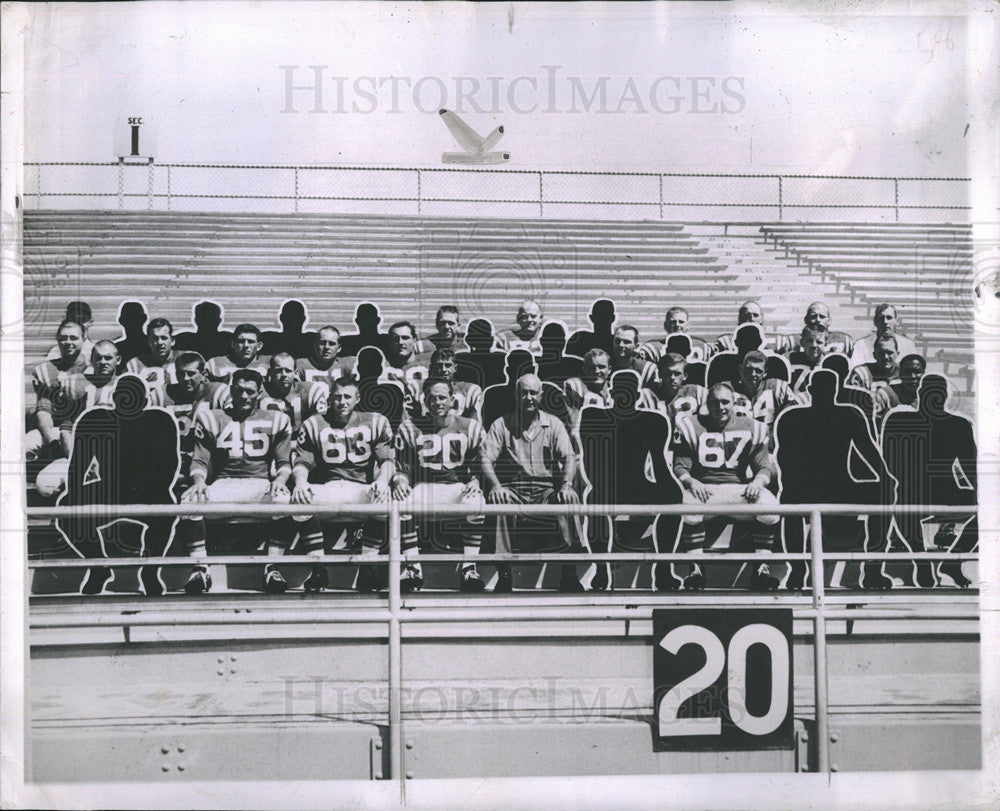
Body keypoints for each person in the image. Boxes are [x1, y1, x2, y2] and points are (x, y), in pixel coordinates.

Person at [56, 375, 180, 596]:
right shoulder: (95, 419)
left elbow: (170, 465)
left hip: (148, 490)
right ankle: (99, 567)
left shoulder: (160, 421)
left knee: (166, 509)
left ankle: (150, 570)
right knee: (66, 510)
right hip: (108, 490)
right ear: (113, 398)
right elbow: (78, 467)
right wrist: (76, 501)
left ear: (145, 401)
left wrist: (152, 491)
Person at [774, 369, 897, 591]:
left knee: (790, 496)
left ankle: (872, 568)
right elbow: (868, 450)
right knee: (790, 498)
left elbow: (869, 450)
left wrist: (886, 478)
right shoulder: (844, 414)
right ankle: (799, 569)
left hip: (821, 488)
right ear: (835, 391)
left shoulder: (793, 417)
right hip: (829, 487)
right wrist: (886, 479)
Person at [182, 369, 294, 593]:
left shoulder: (277, 419)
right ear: (231, 389)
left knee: (283, 498)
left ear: (259, 393)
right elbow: (199, 461)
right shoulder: (212, 417)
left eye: (249, 392)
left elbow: (284, 462)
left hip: (259, 484)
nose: (243, 396)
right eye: (239, 390)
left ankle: (272, 567)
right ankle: (200, 569)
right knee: (189, 500)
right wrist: (199, 482)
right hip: (224, 483)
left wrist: (280, 479)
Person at [290, 375, 396, 593]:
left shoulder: (374, 421)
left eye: (347, 397)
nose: (342, 401)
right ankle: (319, 567)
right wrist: (300, 482)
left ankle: (367, 565)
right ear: (330, 399)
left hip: (360, 487)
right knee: (298, 502)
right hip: (328, 486)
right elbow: (302, 462)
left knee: (383, 497)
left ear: (357, 399)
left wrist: (383, 481)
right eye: (337, 397)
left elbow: (387, 461)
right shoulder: (314, 423)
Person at [579, 371, 683, 592]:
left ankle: (663, 569)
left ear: (637, 395)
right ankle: (601, 569)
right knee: (595, 496)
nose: (623, 398)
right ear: (611, 393)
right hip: (608, 485)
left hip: (638, 485)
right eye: (619, 393)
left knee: (674, 495)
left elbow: (660, 466)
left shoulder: (652, 420)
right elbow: (591, 466)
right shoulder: (594, 417)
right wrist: (601, 485)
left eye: (629, 393)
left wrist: (671, 491)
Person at [671, 383, 781, 591]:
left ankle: (761, 568)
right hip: (704, 490)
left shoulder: (752, 426)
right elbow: (679, 465)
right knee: (687, 510)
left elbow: (764, 466)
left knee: (770, 508)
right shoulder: (690, 425)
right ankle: (696, 569)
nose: (719, 407)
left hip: (739, 489)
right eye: (714, 402)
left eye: (725, 402)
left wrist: (757, 482)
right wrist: (692, 482)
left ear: (734, 403)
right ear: (706, 404)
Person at [481, 373, 583, 593]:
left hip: (544, 490)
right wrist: (497, 486)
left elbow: (568, 456)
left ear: (541, 395)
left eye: (533, 393)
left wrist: (566, 485)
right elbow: (486, 458)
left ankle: (569, 573)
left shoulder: (553, 424)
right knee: (500, 503)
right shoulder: (502, 424)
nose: (528, 397)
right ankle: (505, 574)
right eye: (523, 392)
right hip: (514, 488)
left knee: (568, 500)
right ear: (516, 395)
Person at [147, 351, 231, 594]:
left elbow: (229, 430)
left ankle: (200, 563)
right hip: (172, 463)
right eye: (181, 374)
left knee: (191, 494)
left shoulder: (217, 392)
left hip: (208, 462)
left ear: (203, 374)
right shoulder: (162, 394)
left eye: (191, 373)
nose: (185, 379)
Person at [392, 378, 487, 592]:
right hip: (424, 487)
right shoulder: (410, 427)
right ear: (425, 401)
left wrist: (476, 480)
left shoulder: (470, 427)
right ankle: (412, 567)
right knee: (402, 503)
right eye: (432, 398)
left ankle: (469, 567)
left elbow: (483, 464)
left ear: (452, 399)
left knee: (477, 502)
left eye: (442, 397)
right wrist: (400, 482)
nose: (438, 402)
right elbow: (401, 467)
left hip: (456, 487)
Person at [881, 375, 976, 588]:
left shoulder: (959, 424)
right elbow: (887, 460)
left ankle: (953, 561)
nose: (935, 399)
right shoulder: (899, 420)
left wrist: (982, 496)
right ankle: (922, 561)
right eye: (931, 394)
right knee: (902, 500)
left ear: (945, 397)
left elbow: (971, 467)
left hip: (945, 491)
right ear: (920, 394)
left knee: (992, 511)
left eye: (939, 395)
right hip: (913, 489)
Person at [33, 341, 122, 499]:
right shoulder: (82, 389)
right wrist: (78, 460)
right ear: (91, 361)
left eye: (108, 358)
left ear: (118, 360)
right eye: (98, 358)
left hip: (118, 457)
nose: (103, 362)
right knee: (45, 483)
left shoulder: (127, 388)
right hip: (81, 455)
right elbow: (66, 430)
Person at [28, 319, 88, 463]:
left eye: (73, 338)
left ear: (84, 339)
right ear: (57, 340)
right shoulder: (47, 370)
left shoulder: (93, 369)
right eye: (63, 338)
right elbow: (44, 411)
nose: (68, 342)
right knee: (28, 443)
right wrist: (53, 442)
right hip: (55, 429)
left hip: (83, 431)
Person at [731, 350, 802, 437]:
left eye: (758, 371)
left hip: (769, 443)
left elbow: (794, 414)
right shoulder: (728, 390)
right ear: (740, 369)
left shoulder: (778, 387)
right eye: (748, 369)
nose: (753, 374)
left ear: (765, 373)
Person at [259, 353, 329, 431]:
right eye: (279, 370)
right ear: (270, 372)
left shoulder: (310, 391)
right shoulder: (260, 391)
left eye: (288, 370)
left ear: (295, 373)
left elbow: (320, 422)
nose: (284, 374)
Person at [708, 323, 790, 387]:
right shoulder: (720, 363)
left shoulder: (776, 364)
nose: (748, 345)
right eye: (745, 342)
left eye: (758, 371)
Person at [381, 321, 434, 415]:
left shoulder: (429, 361)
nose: (401, 342)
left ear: (414, 340)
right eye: (395, 338)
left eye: (405, 338)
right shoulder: (384, 367)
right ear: (390, 342)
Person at [641, 352, 708, 421]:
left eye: (677, 374)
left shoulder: (697, 393)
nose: (672, 377)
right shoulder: (648, 395)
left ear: (684, 376)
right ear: (660, 375)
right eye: (668, 373)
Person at [849, 303, 918, 368]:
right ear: (875, 321)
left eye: (889, 317)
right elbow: (856, 370)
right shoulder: (861, 345)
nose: (885, 322)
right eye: (881, 318)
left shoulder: (908, 344)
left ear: (897, 321)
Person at [638, 306, 714, 364]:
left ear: (688, 325)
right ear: (665, 325)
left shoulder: (702, 347)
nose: (677, 325)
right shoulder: (654, 348)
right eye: (673, 322)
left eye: (681, 322)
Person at [715, 300, 795, 356]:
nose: (751, 319)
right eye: (746, 315)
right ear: (740, 318)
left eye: (755, 315)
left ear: (761, 319)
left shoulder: (777, 342)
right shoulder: (726, 342)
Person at [124, 317, 180, 393]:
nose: (160, 342)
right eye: (155, 338)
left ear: (172, 341)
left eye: (164, 338)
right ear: (148, 341)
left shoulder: (188, 359)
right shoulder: (134, 365)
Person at [426, 348, 483, 420]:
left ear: (455, 368)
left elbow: (474, 423)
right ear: (432, 368)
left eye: (448, 365)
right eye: (439, 366)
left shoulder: (470, 390)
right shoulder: (424, 393)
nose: (444, 369)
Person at [206, 323, 271, 383]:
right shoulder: (215, 363)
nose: (246, 345)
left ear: (259, 346)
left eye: (251, 341)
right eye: (241, 341)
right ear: (234, 344)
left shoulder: (270, 363)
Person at [455, 318, 506, 388]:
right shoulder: (502, 358)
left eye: (485, 338)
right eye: (478, 338)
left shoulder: (460, 359)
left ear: (468, 340)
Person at [536, 322, 585, 386]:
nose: (554, 344)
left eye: (557, 340)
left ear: (541, 341)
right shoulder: (576, 366)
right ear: (564, 343)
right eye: (551, 341)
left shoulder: (532, 365)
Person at [114, 301, 149, 368]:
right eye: (129, 319)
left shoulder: (117, 348)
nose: (133, 323)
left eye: (136, 318)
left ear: (121, 321)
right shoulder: (154, 345)